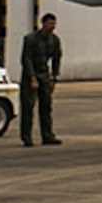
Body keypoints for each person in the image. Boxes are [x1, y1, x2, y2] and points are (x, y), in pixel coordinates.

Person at [19, 13, 63, 146]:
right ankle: (26, 137)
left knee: (46, 106)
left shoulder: (54, 40)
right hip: (30, 75)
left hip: (44, 74)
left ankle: (47, 135)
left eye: (54, 24)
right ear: (43, 24)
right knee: (28, 107)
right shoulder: (30, 39)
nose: (53, 26)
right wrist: (32, 78)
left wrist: (53, 78)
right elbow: (26, 60)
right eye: (50, 24)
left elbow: (57, 59)